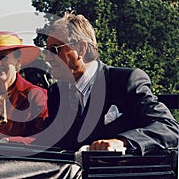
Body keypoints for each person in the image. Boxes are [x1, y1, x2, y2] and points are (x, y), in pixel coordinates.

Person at [45, 12, 179, 155]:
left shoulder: (125, 81)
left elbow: (169, 127)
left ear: (81, 49)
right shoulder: (57, 93)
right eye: (46, 51)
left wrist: (122, 142)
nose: (47, 57)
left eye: (54, 50)